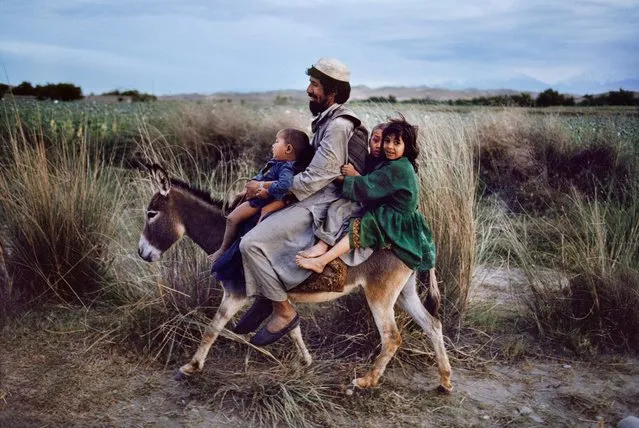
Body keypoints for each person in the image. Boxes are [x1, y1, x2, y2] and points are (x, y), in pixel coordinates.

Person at [236, 57, 370, 346]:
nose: (309, 90)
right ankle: (268, 296)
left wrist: (267, 189)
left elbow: (316, 178)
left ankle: (283, 311)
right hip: (317, 194)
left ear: (332, 92)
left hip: (324, 200)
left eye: (315, 85)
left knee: (251, 244)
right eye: (310, 83)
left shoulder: (337, 126)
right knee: (260, 227)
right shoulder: (328, 121)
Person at [295, 116, 436, 276]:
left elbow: (368, 186)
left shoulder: (397, 168)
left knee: (361, 228)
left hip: (396, 217)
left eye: (396, 143)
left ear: (407, 147)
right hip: (395, 210)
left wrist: (337, 176)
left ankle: (322, 261)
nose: (389, 146)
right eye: (387, 141)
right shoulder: (398, 163)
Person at [207, 128, 313, 266]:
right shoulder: (275, 163)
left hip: (261, 200)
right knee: (235, 211)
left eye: (276, 142)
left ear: (288, 148)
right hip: (258, 197)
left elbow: (284, 186)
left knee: (232, 219)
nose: (273, 145)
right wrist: (245, 190)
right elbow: (260, 177)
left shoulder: (285, 168)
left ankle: (223, 249)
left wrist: (265, 190)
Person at [299, 122, 388, 258]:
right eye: (375, 140)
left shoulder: (384, 165)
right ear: (369, 140)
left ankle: (324, 243)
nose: (378, 146)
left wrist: (354, 175)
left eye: (384, 142)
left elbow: (372, 186)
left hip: (371, 202)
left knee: (338, 209)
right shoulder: (368, 159)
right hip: (359, 195)